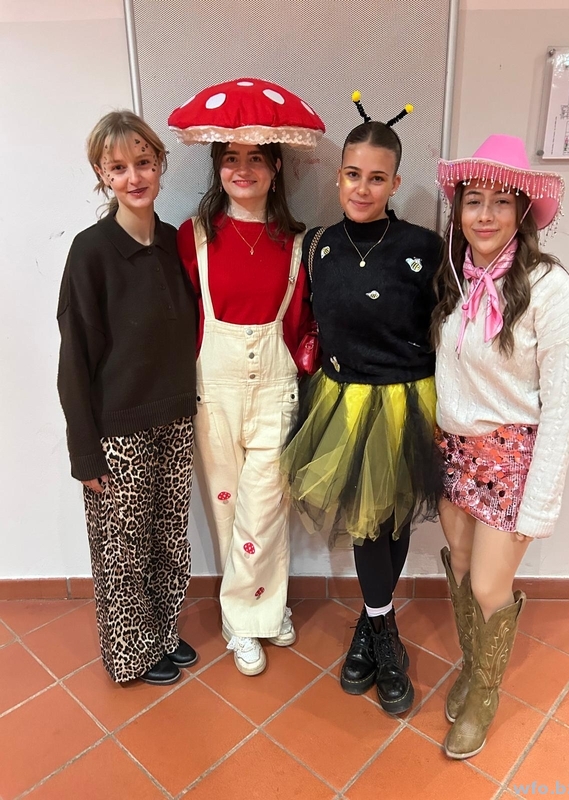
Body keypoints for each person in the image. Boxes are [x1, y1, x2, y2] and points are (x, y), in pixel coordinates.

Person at [281, 93, 443, 714]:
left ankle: (373, 628)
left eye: (378, 177)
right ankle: (382, 631)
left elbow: (448, 327)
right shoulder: (318, 244)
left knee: (391, 519)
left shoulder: (424, 246)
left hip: (407, 401)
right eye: (353, 174)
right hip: (342, 403)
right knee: (369, 522)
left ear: (396, 182)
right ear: (337, 175)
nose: (363, 187)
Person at [432, 134, 569, 758]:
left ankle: (485, 692)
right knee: (462, 566)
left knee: (491, 586)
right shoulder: (456, 279)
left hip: (511, 459)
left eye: (501, 201)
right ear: (459, 210)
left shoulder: (550, 289)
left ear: (523, 211)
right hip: (455, 452)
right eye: (474, 200)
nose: (486, 215)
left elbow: (565, 405)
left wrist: (539, 505)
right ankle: (472, 666)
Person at [174, 79, 322, 676]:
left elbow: (303, 323)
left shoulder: (298, 243)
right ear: (217, 167)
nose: (243, 170)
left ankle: (256, 610)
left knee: (266, 506)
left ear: (276, 167)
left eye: (256, 158)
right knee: (227, 507)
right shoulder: (193, 238)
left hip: (276, 388)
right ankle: (250, 618)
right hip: (214, 391)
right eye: (231, 158)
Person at [57, 110, 198, 685]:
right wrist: (84, 451)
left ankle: (161, 633)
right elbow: (74, 357)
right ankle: (129, 653)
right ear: (102, 174)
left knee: (168, 538)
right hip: (117, 430)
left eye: (143, 162)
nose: (134, 177)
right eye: (118, 168)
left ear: (160, 164)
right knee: (122, 549)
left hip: (176, 416)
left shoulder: (174, 243)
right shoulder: (90, 252)